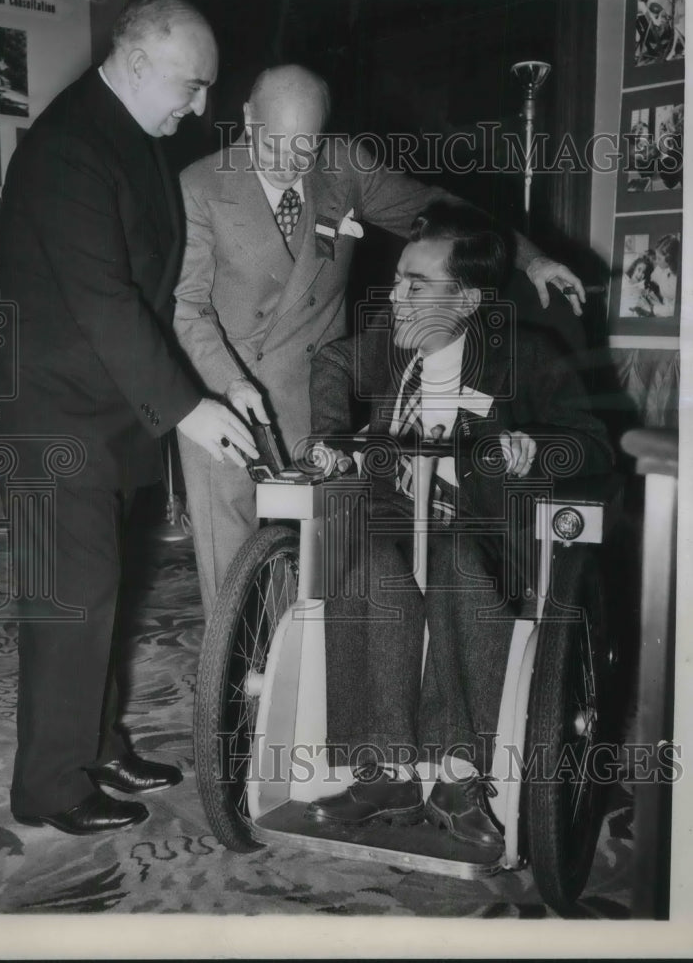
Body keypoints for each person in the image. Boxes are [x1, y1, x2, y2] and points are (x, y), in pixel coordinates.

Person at [0, 0, 258, 837]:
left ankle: (97, 742)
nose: (201, 107)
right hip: (52, 417)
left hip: (105, 416)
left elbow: (152, 296)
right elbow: (103, 302)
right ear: (137, 62)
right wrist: (185, 409)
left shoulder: (129, 138)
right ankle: (52, 785)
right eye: (193, 85)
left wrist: (218, 382)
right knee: (69, 600)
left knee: (106, 591)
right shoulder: (69, 147)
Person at [173, 63, 588, 618]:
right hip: (225, 392)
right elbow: (189, 308)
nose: (294, 162)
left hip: (314, 393)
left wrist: (531, 258)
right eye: (276, 142)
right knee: (233, 578)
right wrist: (228, 384)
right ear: (248, 119)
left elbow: (444, 216)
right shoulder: (200, 185)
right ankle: (241, 695)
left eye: (308, 145)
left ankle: (315, 682)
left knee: (326, 566)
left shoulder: (343, 167)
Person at [304, 200, 613, 849]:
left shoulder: (525, 356)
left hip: (484, 534)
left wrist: (535, 444)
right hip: (396, 519)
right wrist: (331, 436)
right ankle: (383, 769)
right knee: (357, 558)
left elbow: (593, 443)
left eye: (417, 286)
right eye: (396, 280)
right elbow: (330, 363)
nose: (397, 297)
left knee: (458, 566)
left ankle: (459, 774)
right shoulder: (388, 350)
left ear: (468, 300)